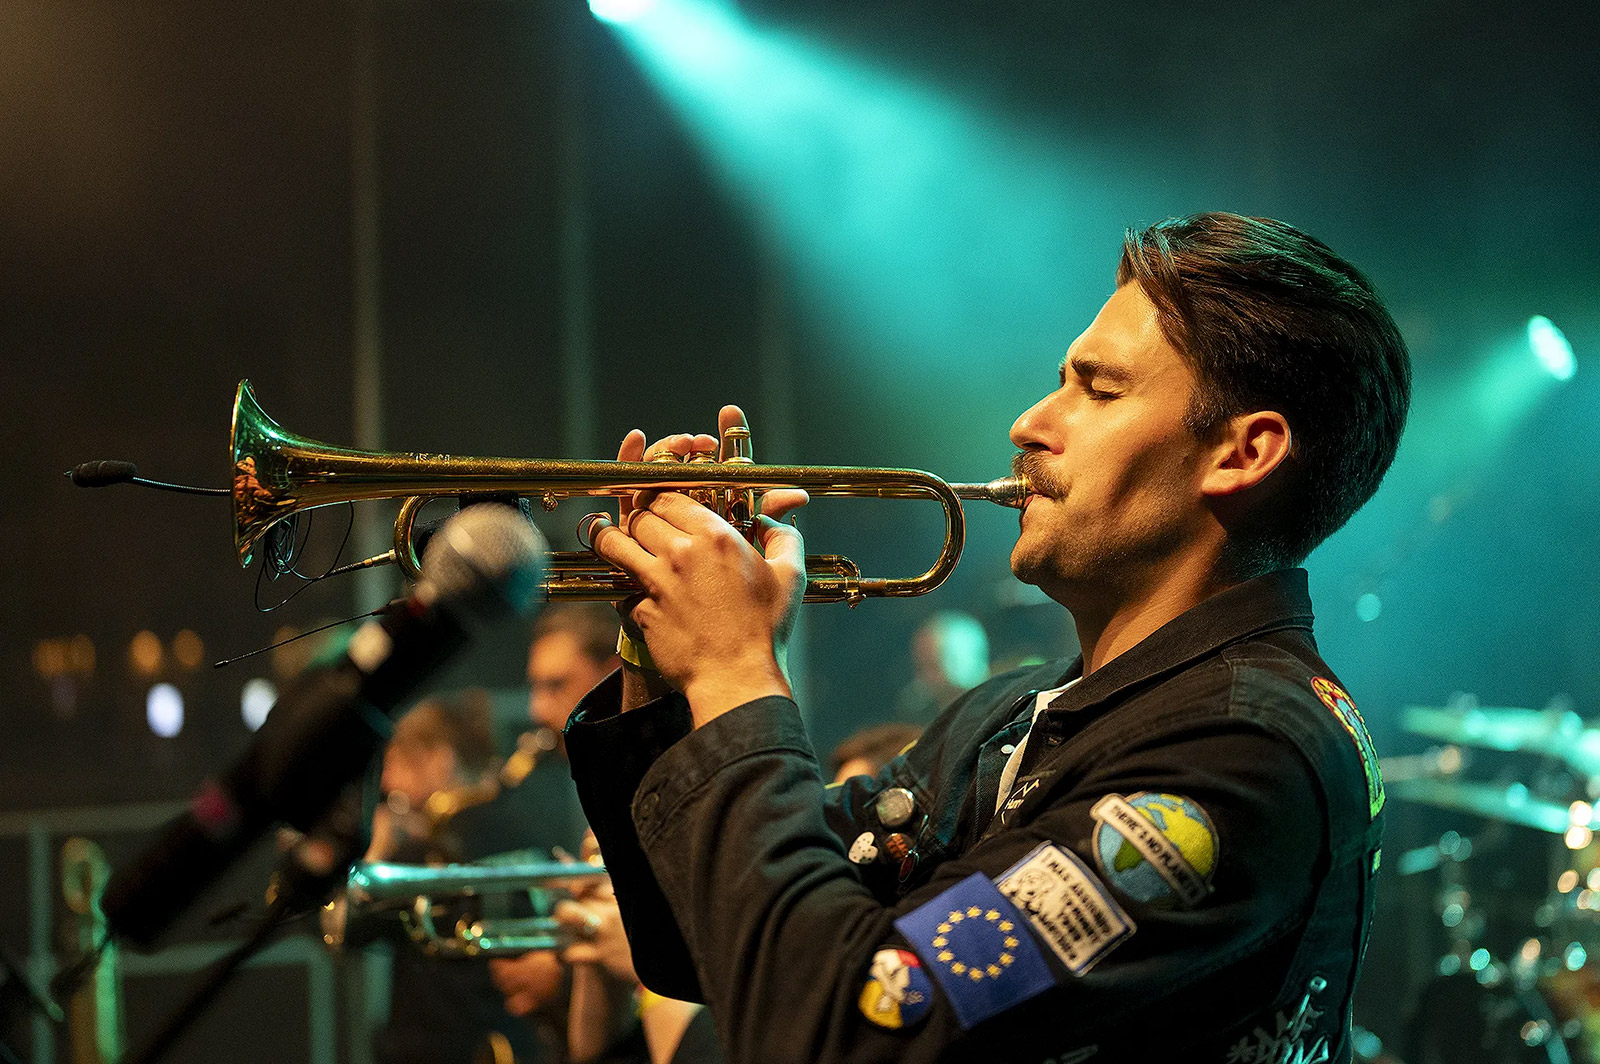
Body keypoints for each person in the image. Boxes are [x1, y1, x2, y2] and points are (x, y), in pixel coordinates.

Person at [565, 213, 1408, 1063]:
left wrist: (736, 671)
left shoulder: (1245, 747)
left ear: (1242, 454)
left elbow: (837, 1037)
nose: (1031, 422)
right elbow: (702, 937)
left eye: (1098, 389)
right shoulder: (1007, 713)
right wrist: (659, 650)